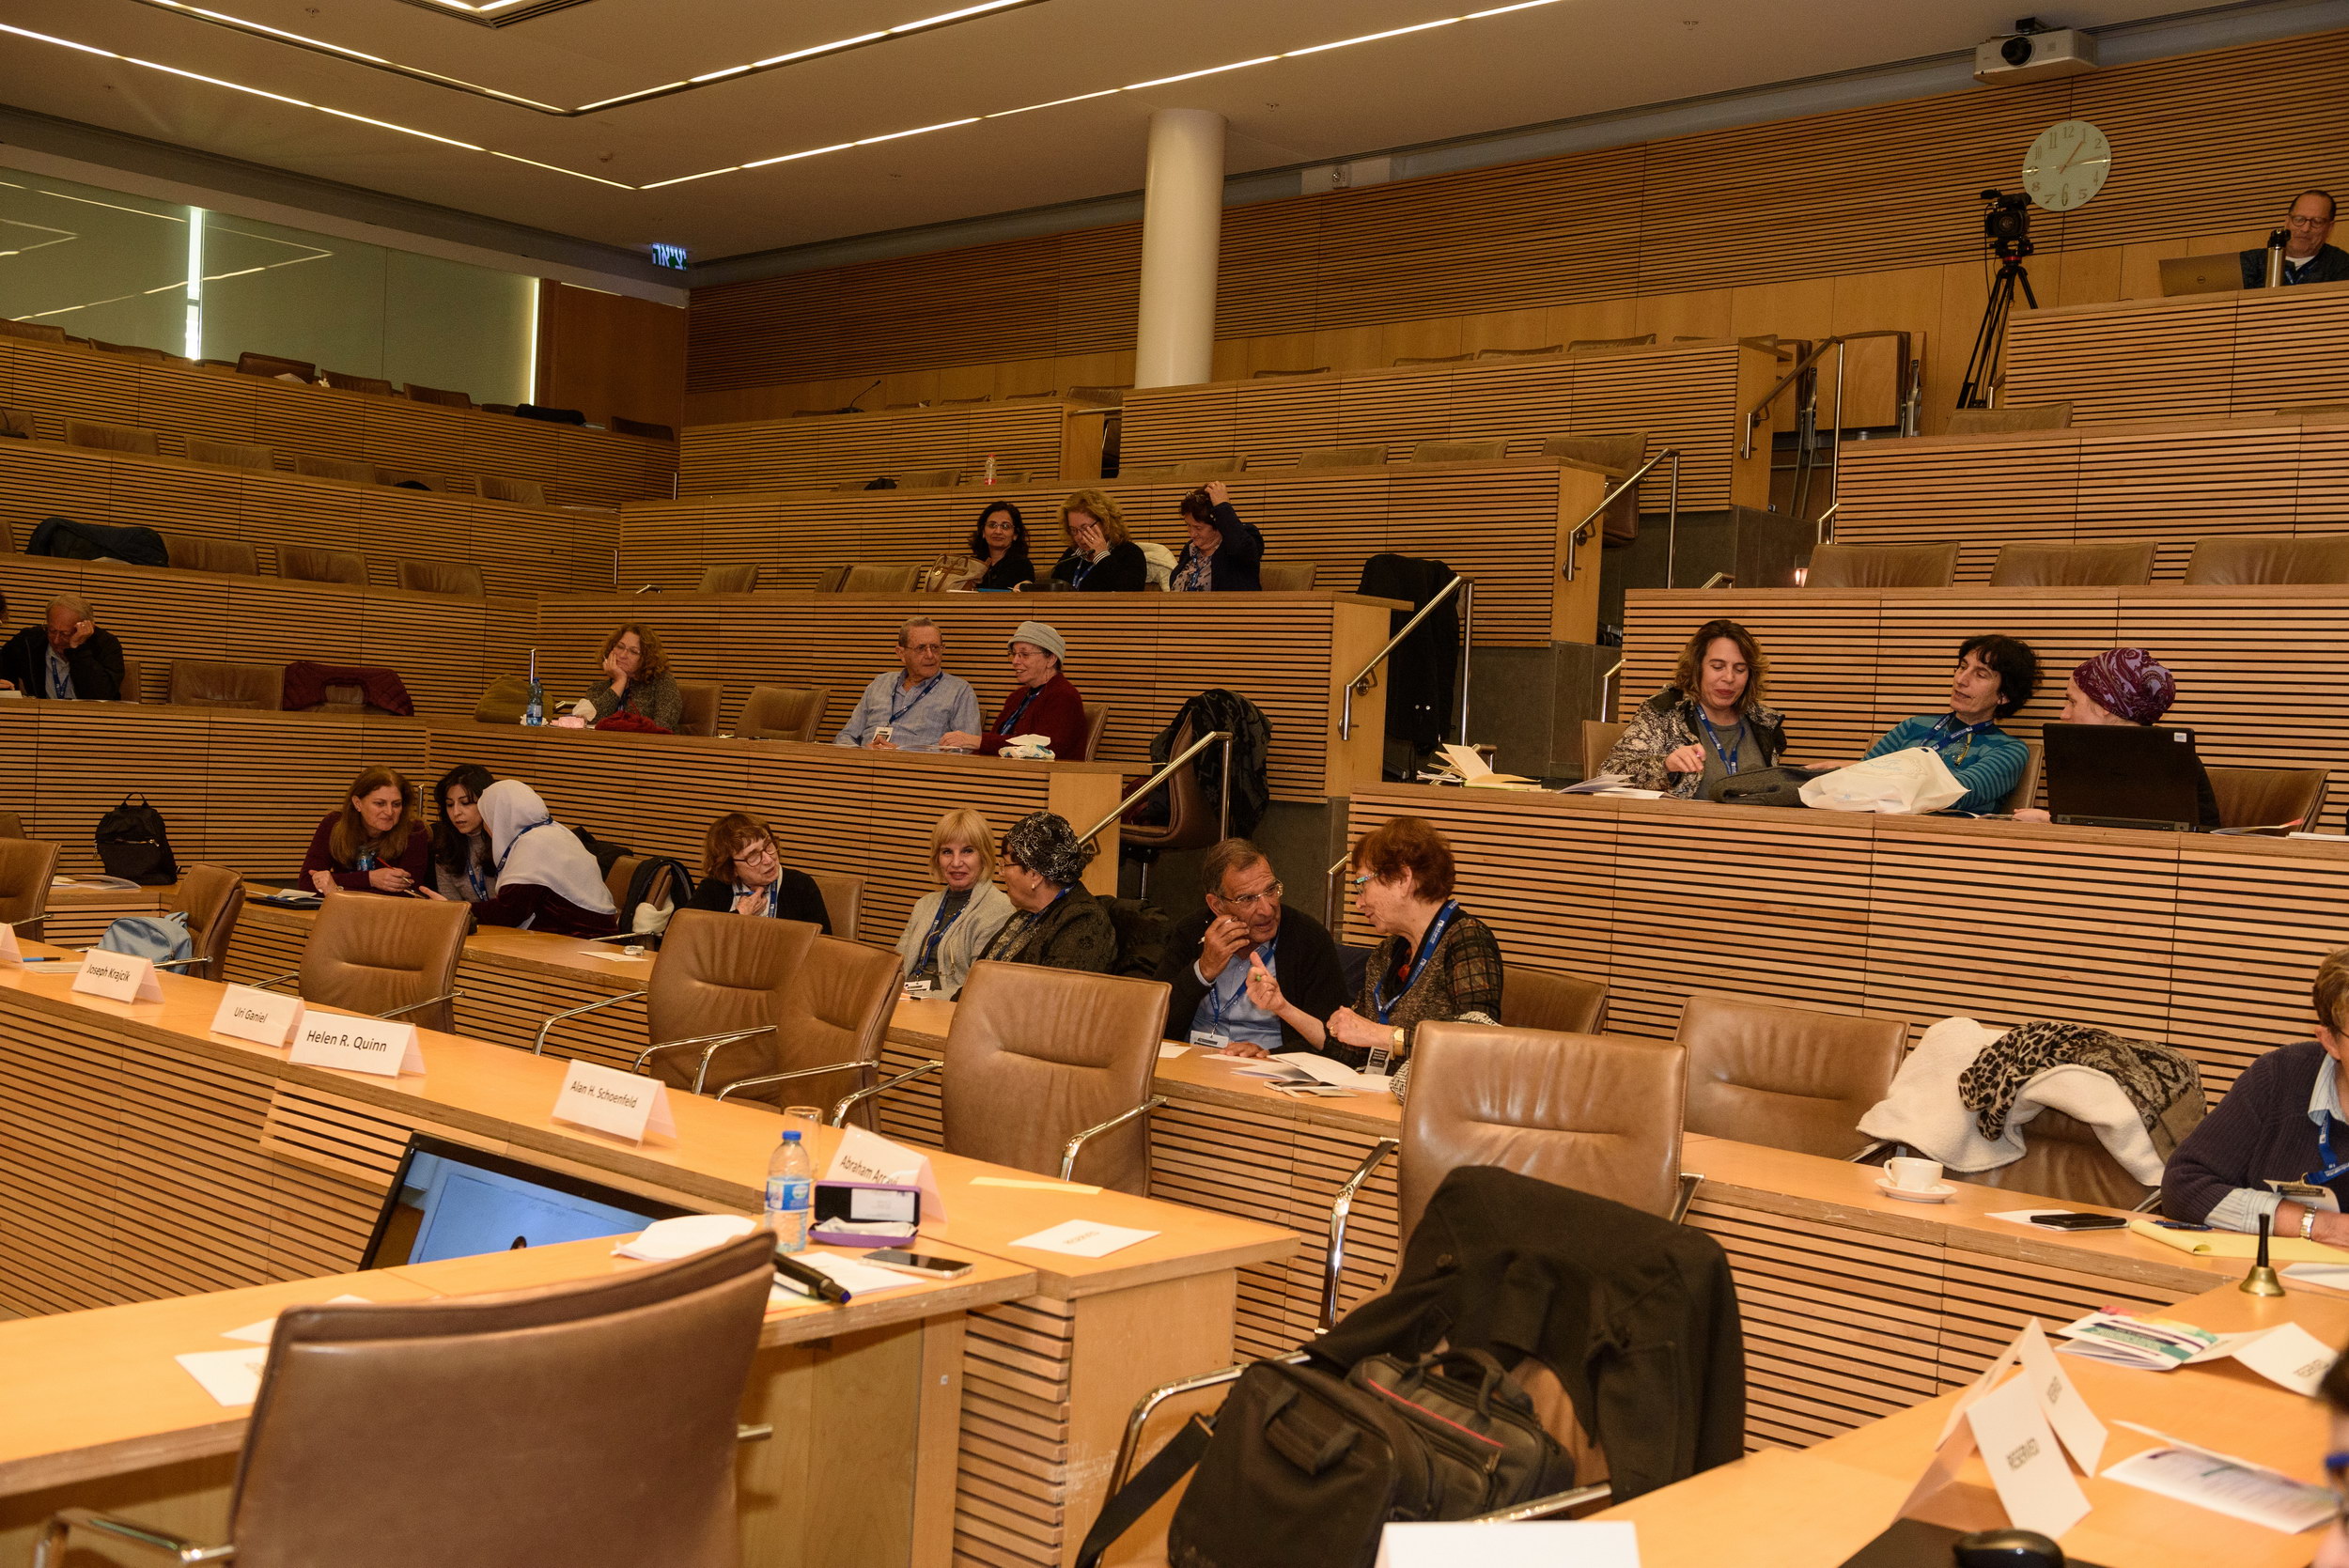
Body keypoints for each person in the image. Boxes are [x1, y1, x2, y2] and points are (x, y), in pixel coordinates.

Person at [1248, 815, 1502, 1073]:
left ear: (1402, 879)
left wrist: (1379, 1035)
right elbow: (1348, 1048)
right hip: (1373, 1090)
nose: (1358, 903)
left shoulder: (1466, 938)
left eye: (1361, 885)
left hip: (1431, 1095)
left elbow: (1477, 1043)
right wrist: (1281, 1006)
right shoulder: (1388, 952)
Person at [2166, 947, 2349, 1242]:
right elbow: (2184, 1185)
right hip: (2270, 1266)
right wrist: (2321, 1225)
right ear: (2330, 1042)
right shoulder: (2280, 1076)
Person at [1155, 838, 1346, 1057]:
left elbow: (1333, 1041)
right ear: (1217, 905)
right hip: (1192, 1063)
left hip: (1269, 1068)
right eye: (1247, 899)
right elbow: (1152, 1021)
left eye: (1271, 890)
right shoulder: (1191, 933)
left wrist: (1270, 1054)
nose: (1267, 909)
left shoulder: (1308, 939)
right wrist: (1202, 971)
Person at [2012, 647, 2219, 830]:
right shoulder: (2089, 754)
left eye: (2072, 702)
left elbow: (2138, 832)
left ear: (2105, 706)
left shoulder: (2169, 760)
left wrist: (2049, 821)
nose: (2064, 714)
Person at [1600, 618, 1786, 798]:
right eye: (1717, 667)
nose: (1729, 678)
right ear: (1697, 668)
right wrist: (1665, 766)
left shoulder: (1764, 723)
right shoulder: (1664, 714)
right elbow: (1608, 776)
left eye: (1740, 669)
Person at [1859, 635, 2039, 816]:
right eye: (1963, 667)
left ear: (2004, 695)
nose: (1961, 680)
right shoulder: (1912, 726)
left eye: (1980, 675)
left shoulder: (2009, 750)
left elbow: (1952, 793)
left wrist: (1882, 782)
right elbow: (1858, 778)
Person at [458, 779, 619, 937]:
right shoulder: (555, 832)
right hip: (585, 937)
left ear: (500, 817)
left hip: (585, 942)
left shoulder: (533, 844)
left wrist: (458, 910)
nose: (486, 826)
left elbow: (509, 912)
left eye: (487, 818)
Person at [894, 807, 1016, 998]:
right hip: (903, 1000)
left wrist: (915, 997)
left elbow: (979, 989)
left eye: (967, 851)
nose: (956, 862)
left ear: (984, 856)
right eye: (947, 852)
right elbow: (896, 966)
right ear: (937, 858)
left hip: (947, 1007)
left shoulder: (1000, 910)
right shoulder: (924, 905)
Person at [975, 812, 1115, 972]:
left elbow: (1057, 986)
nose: (1001, 873)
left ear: (1035, 875)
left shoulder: (1083, 921)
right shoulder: (1024, 915)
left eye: (1005, 865)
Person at [940, 620, 1089, 760]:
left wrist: (978, 741)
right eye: (1014, 654)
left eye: (1024, 655)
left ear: (1051, 659)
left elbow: (1044, 749)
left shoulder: (1064, 697)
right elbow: (998, 741)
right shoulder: (1017, 697)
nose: (1015, 661)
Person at [833, 616, 981, 751]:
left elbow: (966, 751)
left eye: (935, 647)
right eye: (921, 648)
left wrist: (904, 754)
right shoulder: (879, 684)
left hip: (918, 769)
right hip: (863, 764)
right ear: (901, 653)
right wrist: (862, 751)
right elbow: (845, 737)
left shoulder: (959, 691)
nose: (930, 655)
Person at [685, 812, 832, 931]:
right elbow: (685, 936)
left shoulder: (801, 886)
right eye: (753, 856)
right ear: (731, 868)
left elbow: (823, 946)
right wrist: (739, 916)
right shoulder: (714, 888)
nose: (768, 860)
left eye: (768, 846)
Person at [300, 766, 432, 895]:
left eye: (396, 804)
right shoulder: (333, 824)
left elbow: (409, 893)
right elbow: (307, 883)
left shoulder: (414, 831)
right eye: (380, 803)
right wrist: (370, 879)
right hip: (341, 909)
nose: (389, 812)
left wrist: (336, 888)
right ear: (358, 803)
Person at [0, 593, 124, 701]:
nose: (56, 640)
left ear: (84, 628)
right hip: (40, 716)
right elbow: (3, 668)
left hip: (90, 718)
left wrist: (78, 649)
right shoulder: (29, 640)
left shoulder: (106, 644)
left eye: (65, 634)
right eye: (52, 631)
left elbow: (102, 696)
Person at [583, 623, 684, 732]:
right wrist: (620, 681)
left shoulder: (663, 683)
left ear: (646, 658)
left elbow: (663, 728)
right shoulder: (598, 688)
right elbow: (587, 722)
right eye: (620, 647)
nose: (623, 655)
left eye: (634, 652)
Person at [2239, 190, 2349, 287]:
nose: (2305, 229)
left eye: (2317, 222)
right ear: (2287, 222)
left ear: (2330, 228)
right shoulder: (2248, 263)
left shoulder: (2341, 264)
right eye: (2299, 219)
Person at [1169, 481, 1265, 592]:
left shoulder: (1241, 543)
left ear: (1218, 525)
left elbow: (1240, 546)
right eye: (1188, 525)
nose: (1192, 534)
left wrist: (1222, 507)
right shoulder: (1189, 549)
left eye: (1198, 528)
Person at [1048, 489, 1147, 592]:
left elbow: (1130, 592)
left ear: (1105, 523)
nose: (1079, 536)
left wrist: (1102, 556)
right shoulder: (1071, 555)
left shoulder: (1130, 553)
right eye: (1073, 530)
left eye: (1085, 528)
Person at [428, 763, 497, 902]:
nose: (456, 812)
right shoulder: (445, 847)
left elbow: (512, 907)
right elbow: (451, 904)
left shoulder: (507, 844)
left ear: (486, 803)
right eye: (449, 804)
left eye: (465, 803)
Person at [958, 501, 1034, 590]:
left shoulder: (1022, 566)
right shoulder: (972, 565)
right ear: (983, 531)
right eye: (992, 525)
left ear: (1015, 534)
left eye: (1005, 526)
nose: (998, 531)